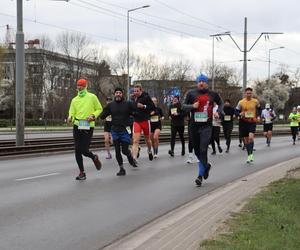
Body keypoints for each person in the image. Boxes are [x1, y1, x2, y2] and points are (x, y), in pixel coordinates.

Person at [183, 74, 223, 186]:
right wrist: (192, 107)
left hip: (206, 126)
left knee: (203, 149)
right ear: (197, 83)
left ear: (207, 83)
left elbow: (221, 103)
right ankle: (207, 166)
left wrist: (218, 112)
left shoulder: (212, 94)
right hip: (193, 126)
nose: (201, 83)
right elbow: (183, 106)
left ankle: (200, 176)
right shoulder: (191, 94)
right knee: (197, 151)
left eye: (203, 81)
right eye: (199, 81)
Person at [68, 78, 103, 180]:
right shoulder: (74, 100)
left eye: (82, 85)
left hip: (88, 125)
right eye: (78, 85)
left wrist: (93, 115)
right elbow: (72, 112)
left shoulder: (92, 97)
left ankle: (93, 157)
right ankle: (82, 172)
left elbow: (99, 108)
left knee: (83, 149)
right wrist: (70, 117)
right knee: (77, 150)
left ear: (85, 86)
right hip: (77, 125)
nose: (79, 87)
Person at [100, 88, 137, 175]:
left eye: (120, 93)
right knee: (117, 151)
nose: (118, 94)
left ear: (122, 94)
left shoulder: (128, 104)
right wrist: (101, 114)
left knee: (124, 150)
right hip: (115, 130)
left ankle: (130, 157)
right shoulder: (111, 105)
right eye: (116, 93)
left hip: (125, 129)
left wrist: (136, 113)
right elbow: (103, 115)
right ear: (114, 94)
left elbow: (135, 111)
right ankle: (121, 169)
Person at [235, 87, 261, 164]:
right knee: (246, 141)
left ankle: (251, 155)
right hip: (243, 122)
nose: (249, 94)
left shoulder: (255, 101)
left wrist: (258, 116)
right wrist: (239, 113)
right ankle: (249, 155)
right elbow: (236, 111)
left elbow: (259, 109)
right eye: (247, 93)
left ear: (252, 94)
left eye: (250, 93)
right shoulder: (241, 102)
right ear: (245, 94)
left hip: (252, 121)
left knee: (251, 137)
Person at [132, 84, 155, 162]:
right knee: (135, 140)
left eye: (137, 91)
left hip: (145, 120)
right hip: (136, 121)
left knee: (147, 140)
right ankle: (134, 158)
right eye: (134, 91)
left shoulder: (146, 97)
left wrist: (144, 106)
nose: (135, 92)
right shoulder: (133, 98)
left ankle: (149, 151)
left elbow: (153, 107)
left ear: (141, 90)